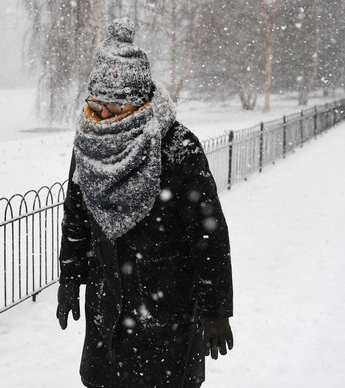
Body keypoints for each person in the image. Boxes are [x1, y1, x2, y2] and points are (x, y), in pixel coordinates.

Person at [56, 17, 234, 388]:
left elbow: (208, 233)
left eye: (113, 104)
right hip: (108, 307)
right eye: (96, 102)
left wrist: (216, 309)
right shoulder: (89, 143)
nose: (102, 114)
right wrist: (70, 276)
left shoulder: (178, 148)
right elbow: (76, 217)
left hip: (168, 308)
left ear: (140, 102)